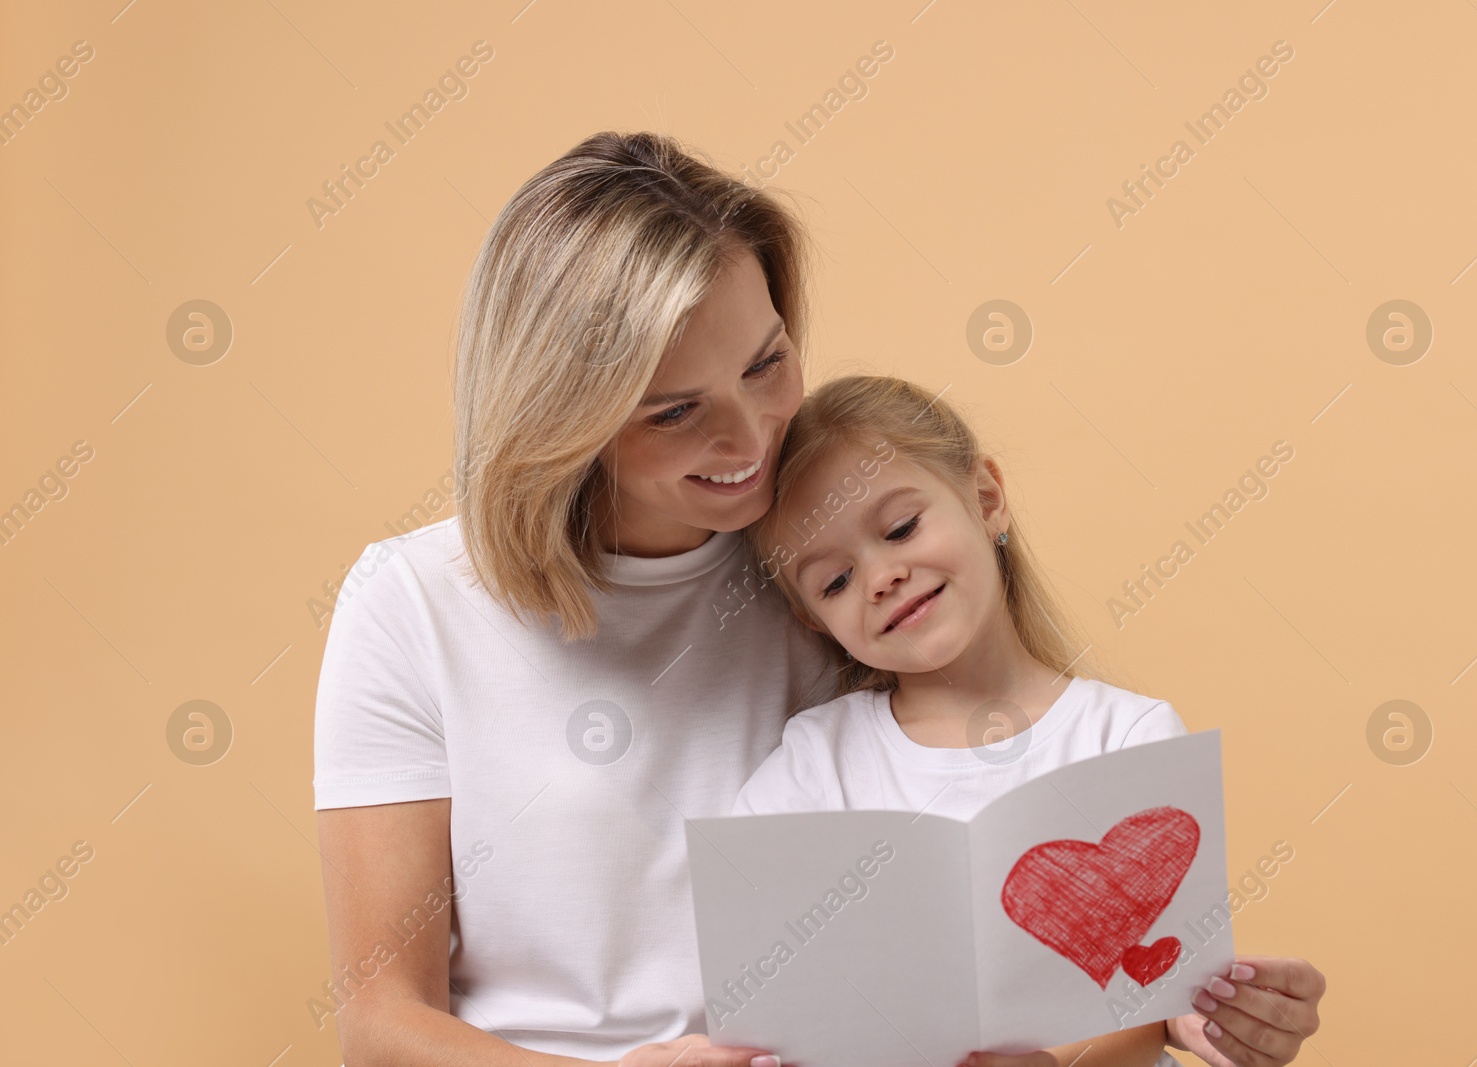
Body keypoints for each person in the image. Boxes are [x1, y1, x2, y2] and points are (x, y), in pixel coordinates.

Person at [311, 130, 1324, 1067]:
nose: (752, 437)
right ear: (562, 421)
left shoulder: (811, 563)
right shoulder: (411, 605)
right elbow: (379, 1019)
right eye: (675, 412)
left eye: (766, 364)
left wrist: (1190, 1000)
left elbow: (996, 871)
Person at [731, 375, 1324, 1067]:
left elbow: (1155, 1003)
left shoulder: (1126, 737)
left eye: (900, 528)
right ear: (813, 619)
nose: (882, 577)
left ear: (986, 498)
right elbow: (773, 994)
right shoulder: (813, 764)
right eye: (834, 580)